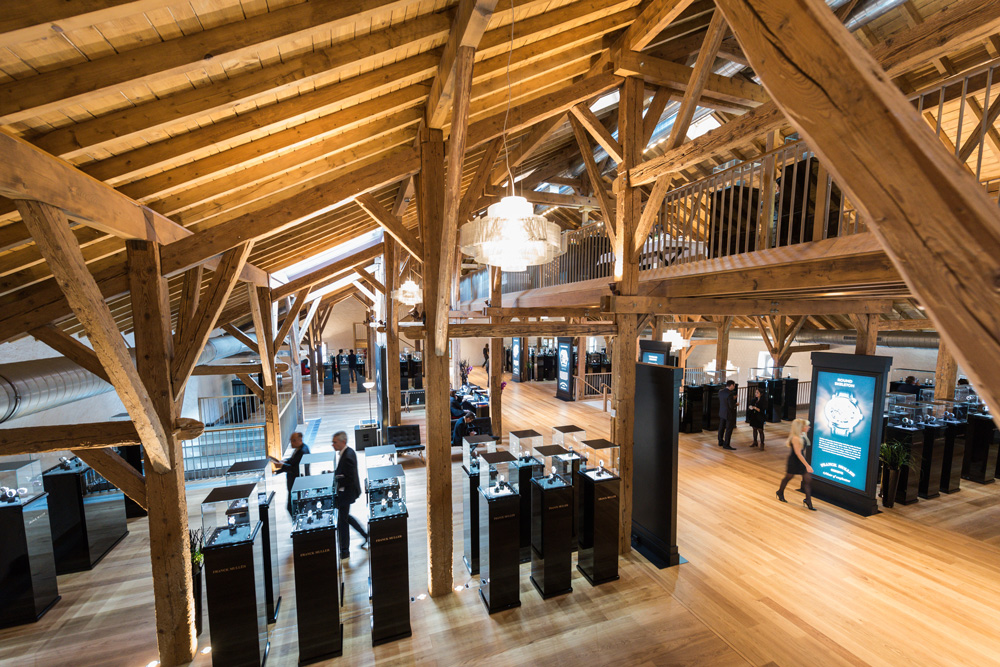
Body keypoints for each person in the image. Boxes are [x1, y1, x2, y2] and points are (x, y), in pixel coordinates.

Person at [332, 431, 368, 558]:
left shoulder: (347, 456)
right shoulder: (348, 452)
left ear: (343, 442)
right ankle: (365, 535)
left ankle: (345, 551)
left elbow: (349, 478)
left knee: (343, 521)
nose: (333, 444)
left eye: (335, 442)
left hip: (347, 493)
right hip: (346, 492)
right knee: (345, 518)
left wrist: (336, 480)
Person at [776, 418, 815, 511]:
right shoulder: (795, 438)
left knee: (807, 479)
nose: (809, 427)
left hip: (801, 460)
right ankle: (780, 492)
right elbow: (798, 453)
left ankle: (808, 500)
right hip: (794, 461)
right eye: (806, 426)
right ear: (801, 427)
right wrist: (807, 465)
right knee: (788, 477)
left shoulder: (802, 435)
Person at [269, 431, 310, 517]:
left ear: (300, 440)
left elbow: (296, 469)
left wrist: (282, 465)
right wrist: (284, 462)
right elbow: (293, 461)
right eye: (291, 440)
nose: (291, 443)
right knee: (292, 508)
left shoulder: (303, 452)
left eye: (294, 440)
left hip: (298, 485)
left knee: (293, 508)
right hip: (294, 484)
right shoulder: (299, 449)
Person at [717, 380, 738, 450]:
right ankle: (726, 444)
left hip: (722, 412)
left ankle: (720, 441)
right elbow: (731, 406)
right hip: (728, 414)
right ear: (731, 385)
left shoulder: (721, 392)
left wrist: (732, 399)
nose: (734, 387)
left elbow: (724, 401)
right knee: (729, 429)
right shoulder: (730, 394)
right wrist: (736, 404)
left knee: (721, 427)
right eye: (734, 386)